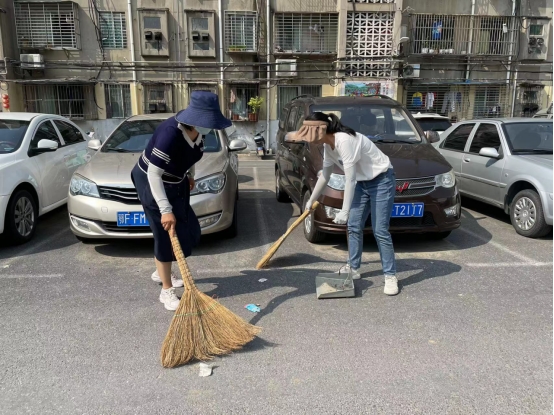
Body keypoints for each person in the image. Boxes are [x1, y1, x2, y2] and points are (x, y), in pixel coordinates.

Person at [131, 91, 232, 310]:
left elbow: (191, 155)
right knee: (165, 235)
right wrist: (165, 210)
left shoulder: (197, 132)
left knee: (189, 230)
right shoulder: (170, 134)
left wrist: (190, 175)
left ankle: (161, 271)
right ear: (195, 119)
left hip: (177, 181)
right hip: (152, 182)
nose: (210, 126)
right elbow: (154, 174)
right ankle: (166, 290)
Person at [291, 111, 399, 296]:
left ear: (322, 130)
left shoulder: (344, 140)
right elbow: (325, 176)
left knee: (380, 230)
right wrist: (311, 200)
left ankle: (390, 275)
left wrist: (345, 210)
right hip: (362, 183)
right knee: (354, 226)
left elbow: (350, 179)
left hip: (381, 180)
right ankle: (353, 268)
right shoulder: (328, 147)